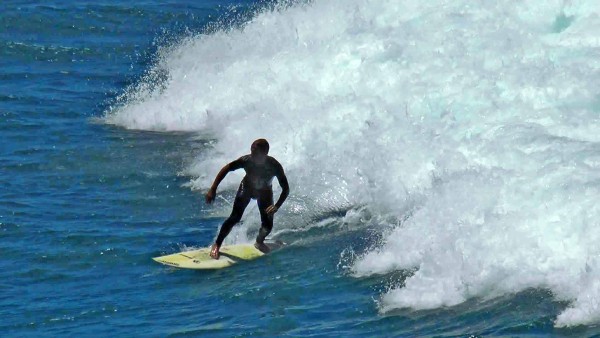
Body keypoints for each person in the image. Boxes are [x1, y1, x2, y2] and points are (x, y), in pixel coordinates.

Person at [205, 139, 289, 259]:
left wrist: (277, 206)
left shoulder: (274, 166)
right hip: (247, 189)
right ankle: (217, 245)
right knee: (235, 217)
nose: (252, 154)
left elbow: (286, 188)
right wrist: (213, 188)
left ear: (265, 153)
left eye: (255, 152)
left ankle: (259, 241)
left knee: (267, 226)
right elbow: (226, 168)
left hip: (264, 192)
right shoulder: (246, 160)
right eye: (251, 151)